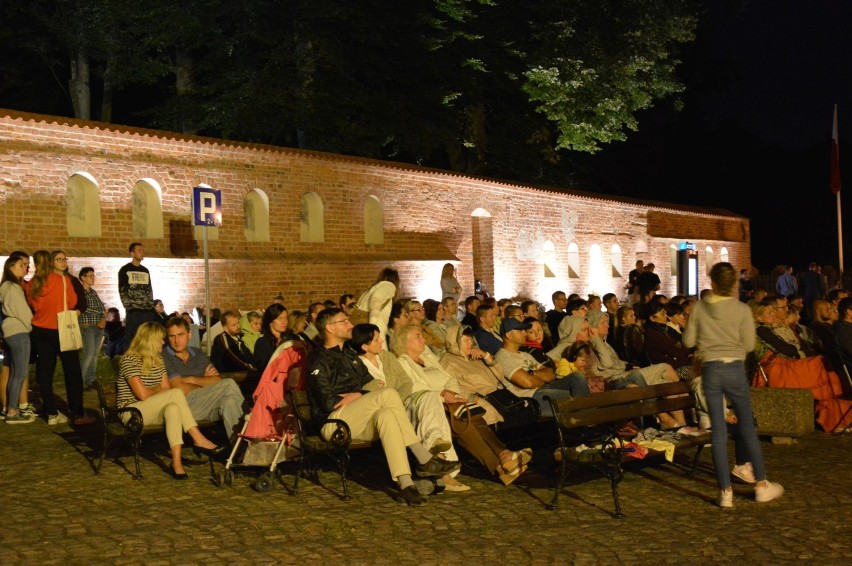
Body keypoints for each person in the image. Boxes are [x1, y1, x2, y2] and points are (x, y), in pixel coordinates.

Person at [306, 308, 460, 506]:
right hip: (334, 423)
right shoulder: (318, 358)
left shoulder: (350, 356)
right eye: (344, 321)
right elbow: (329, 402)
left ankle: (406, 486)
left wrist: (360, 394)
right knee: (388, 394)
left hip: (359, 419)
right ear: (329, 328)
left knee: (387, 414)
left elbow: (371, 386)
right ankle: (422, 456)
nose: (350, 325)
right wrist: (361, 394)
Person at [683, 262, 784, 507]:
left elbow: (687, 341)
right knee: (747, 427)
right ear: (734, 284)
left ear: (713, 283)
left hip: (711, 369)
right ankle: (761, 484)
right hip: (734, 368)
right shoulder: (740, 310)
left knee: (718, 431)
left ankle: (725, 492)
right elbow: (749, 345)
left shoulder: (700, 309)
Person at [390, 324, 532, 488]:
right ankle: (502, 462)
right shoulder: (402, 363)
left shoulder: (429, 359)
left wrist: (451, 391)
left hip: (450, 402)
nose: (423, 339)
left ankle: (503, 460)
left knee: (472, 420)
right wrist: (443, 393)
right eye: (418, 336)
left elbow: (450, 379)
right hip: (428, 409)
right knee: (465, 423)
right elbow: (415, 388)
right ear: (404, 342)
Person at [117, 322, 225, 479]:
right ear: (150, 340)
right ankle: (198, 437)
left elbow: (165, 388)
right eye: (160, 339)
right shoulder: (130, 360)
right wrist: (159, 390)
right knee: (175, 394)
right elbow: (143, 395)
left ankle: (176, 463)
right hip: (132, 412)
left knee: (173, 407)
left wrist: (157, 391)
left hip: (152, 409)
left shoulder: (158, 359)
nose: (163, 342)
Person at [25, 250, 95, 425]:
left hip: (40, 329)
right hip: (60, 328)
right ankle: (77, 412)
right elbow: (72, 302)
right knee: (72, 372)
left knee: (45, 373)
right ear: (51, 262)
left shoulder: (33, 282)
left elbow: (32, 304)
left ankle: (50, 412)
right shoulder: (63, 280)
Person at [162, 316, 247, 443]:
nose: (176, 340)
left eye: (180, 335)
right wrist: (205, 381)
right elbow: (179, 388)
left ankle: (240, 451)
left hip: (205, 404)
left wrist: (191, 379)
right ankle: (255, 430)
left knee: (229, 401)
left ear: (189, 334)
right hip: (183, 406)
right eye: (172, 336)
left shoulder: (197, 353)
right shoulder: (165, 357)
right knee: (228, 384)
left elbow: (217, 379)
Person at [495, 318, 590, 417]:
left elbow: (551, 374)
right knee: (578, 397)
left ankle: (586, 419)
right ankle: (586, 422)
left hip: (544, 387)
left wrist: (531, 373)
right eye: (520, 331)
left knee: (577, 377)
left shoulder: (525, 355)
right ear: (508, 335)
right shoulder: (502, 356)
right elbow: (528, 383)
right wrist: (538, 377)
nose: (525, 333)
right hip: (531, 397)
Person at [1, 251, 35, 424]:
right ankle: (13, 411)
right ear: (11, 267)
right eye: (21, 265)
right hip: (18, 331)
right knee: (20, 372)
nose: (25, 268)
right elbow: (23, 311)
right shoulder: (13, 287)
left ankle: (10, 408)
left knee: (15, 371)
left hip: (11, 331)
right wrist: (32, 325)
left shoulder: (6, 286)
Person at [118, 242, 157, 350]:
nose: (142, 253)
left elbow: (149, 290)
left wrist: (150, 306)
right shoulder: (125, 270)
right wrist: (130, 307)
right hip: (134, 312)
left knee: (147, 340)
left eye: (142, 250)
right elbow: (123, 291)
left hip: (147, 311)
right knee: (132, 340)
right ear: (132, 253)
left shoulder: (145, 270)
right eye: (139, 250)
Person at [353, 267, 399, 349]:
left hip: (364, 330)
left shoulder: (371, 289)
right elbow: (375, 304)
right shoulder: (388, 286)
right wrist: (372, 332)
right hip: (376, 328)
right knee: (381, 357)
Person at [78, 267, 107, 389]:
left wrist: (103, 317)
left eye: (93, 276)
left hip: (98, 327)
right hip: (87, 326)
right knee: (88, 354)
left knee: (94, 354)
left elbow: (102, 307)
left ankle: (91, 379)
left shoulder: (93, 292)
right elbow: (85, 308)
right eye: (90, 276)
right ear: (83, 278)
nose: (93, 278)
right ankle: (81, 381)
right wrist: (101, 313)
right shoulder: (80, 292)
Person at [210, 310, 257, 374]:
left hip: (241, 371)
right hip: (226, 374)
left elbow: (248, 354)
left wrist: (256, 365)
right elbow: (232, 358)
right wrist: (250, 367)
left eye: (238, 323)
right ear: (225, 328)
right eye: (234, 325)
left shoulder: (238, 336)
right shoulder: (221, 339)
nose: (238, 326)